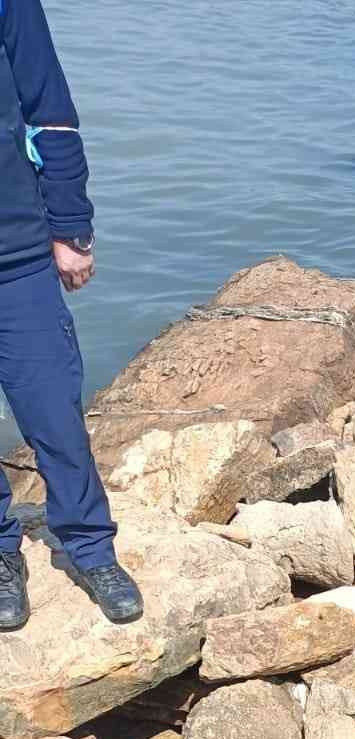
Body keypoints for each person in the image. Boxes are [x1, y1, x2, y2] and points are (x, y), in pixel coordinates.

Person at [0, 0, 143, 631]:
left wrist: (71, 226)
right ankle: (3, 553)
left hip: (18, 252)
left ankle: (90, 548)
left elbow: (51, 115)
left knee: (54, 411)